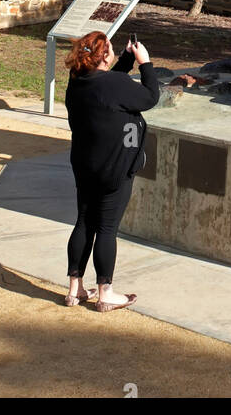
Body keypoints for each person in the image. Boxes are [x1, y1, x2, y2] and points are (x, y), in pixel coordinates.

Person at [63, 29, 159, 312]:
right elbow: (150, 96)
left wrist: (127, 59)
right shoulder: (113, 85)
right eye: (112, 49)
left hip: (84, 166)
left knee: (84, 222)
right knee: (106, 228)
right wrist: (145, 64)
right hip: (114, 170)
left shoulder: (77, 81)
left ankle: (74, 289)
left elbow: (109, 84)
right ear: (104, 56)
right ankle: (106, 293)